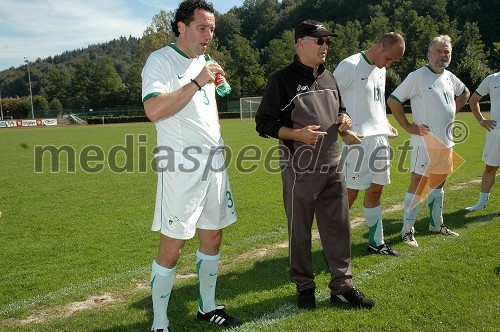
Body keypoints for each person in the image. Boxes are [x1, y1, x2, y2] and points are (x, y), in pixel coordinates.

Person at [255, 19, 375, 310]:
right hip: (300, 169)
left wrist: (345, 123)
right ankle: (305, 286)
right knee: (300, 230)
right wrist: (296, 134)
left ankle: (342, 286)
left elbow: (341, 111)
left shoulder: (329, 77)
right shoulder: (282, 79)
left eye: (327, 41)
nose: (325, 46)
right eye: (319, 40)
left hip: (334, 166)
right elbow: (264, 123)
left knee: (339, 227)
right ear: (301, 43)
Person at [141, 1, 241, 331]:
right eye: (202, 28)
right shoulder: (160, 60)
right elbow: (154, 109)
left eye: (212, 29)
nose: (208, 35)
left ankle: (207, 306)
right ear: (181, 27)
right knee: (173, 245)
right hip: (182, 168)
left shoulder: (204, 61)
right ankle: (159, 323)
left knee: (213, 238)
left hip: (214, 164)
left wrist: (209, 79)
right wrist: (197, 81)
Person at [387, 35, 470, 247]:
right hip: (424, 141)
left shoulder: (450, 77)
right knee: (419, 184)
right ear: (429, 54)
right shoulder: (418, 76)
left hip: (447, 140)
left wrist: (452, 112)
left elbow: (465, 93)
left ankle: (436, 224)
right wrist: (407, 126)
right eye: (440, 51)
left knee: (439, 183)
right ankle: (407, 230)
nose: (443, 55)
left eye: (447, 52)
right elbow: (394, 100)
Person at [333, 32, 405, 256]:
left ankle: (377, 241)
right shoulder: (350, 65)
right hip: (358, 142)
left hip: (381, 140)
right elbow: (328, 99)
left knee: (376, 190)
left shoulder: (381, 70)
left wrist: (385, 122)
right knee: (350, 193)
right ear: (381, 46)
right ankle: (333, 243)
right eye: (390, 58)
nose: (390, 65)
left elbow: (377, 102)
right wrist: (342, 132)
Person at [466, 72, 499, 211]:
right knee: (490, 168)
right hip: (496, 132)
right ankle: (481, 203)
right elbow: (473, 100)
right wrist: (481, 120)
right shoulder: (492, 79)